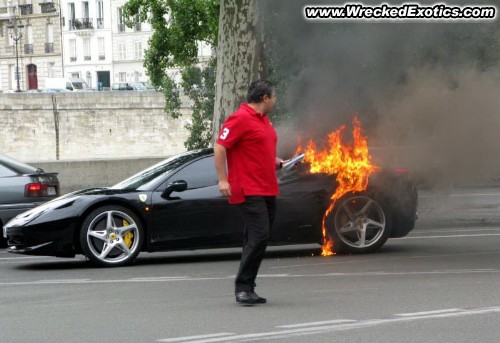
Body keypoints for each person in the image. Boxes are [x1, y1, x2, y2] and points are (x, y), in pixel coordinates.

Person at [214, 80, 284, 305]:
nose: (276, 100)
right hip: (249, 188)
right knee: (260, 235)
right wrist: (223, 179)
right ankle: (243, 287)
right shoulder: (240, 118)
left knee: (255, 237)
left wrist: (275, 162)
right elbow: (220, 146)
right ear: (265, 97)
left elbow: (255, 150)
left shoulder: (264, 120)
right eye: (274, 96)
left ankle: (247, 287)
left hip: (266, 187)